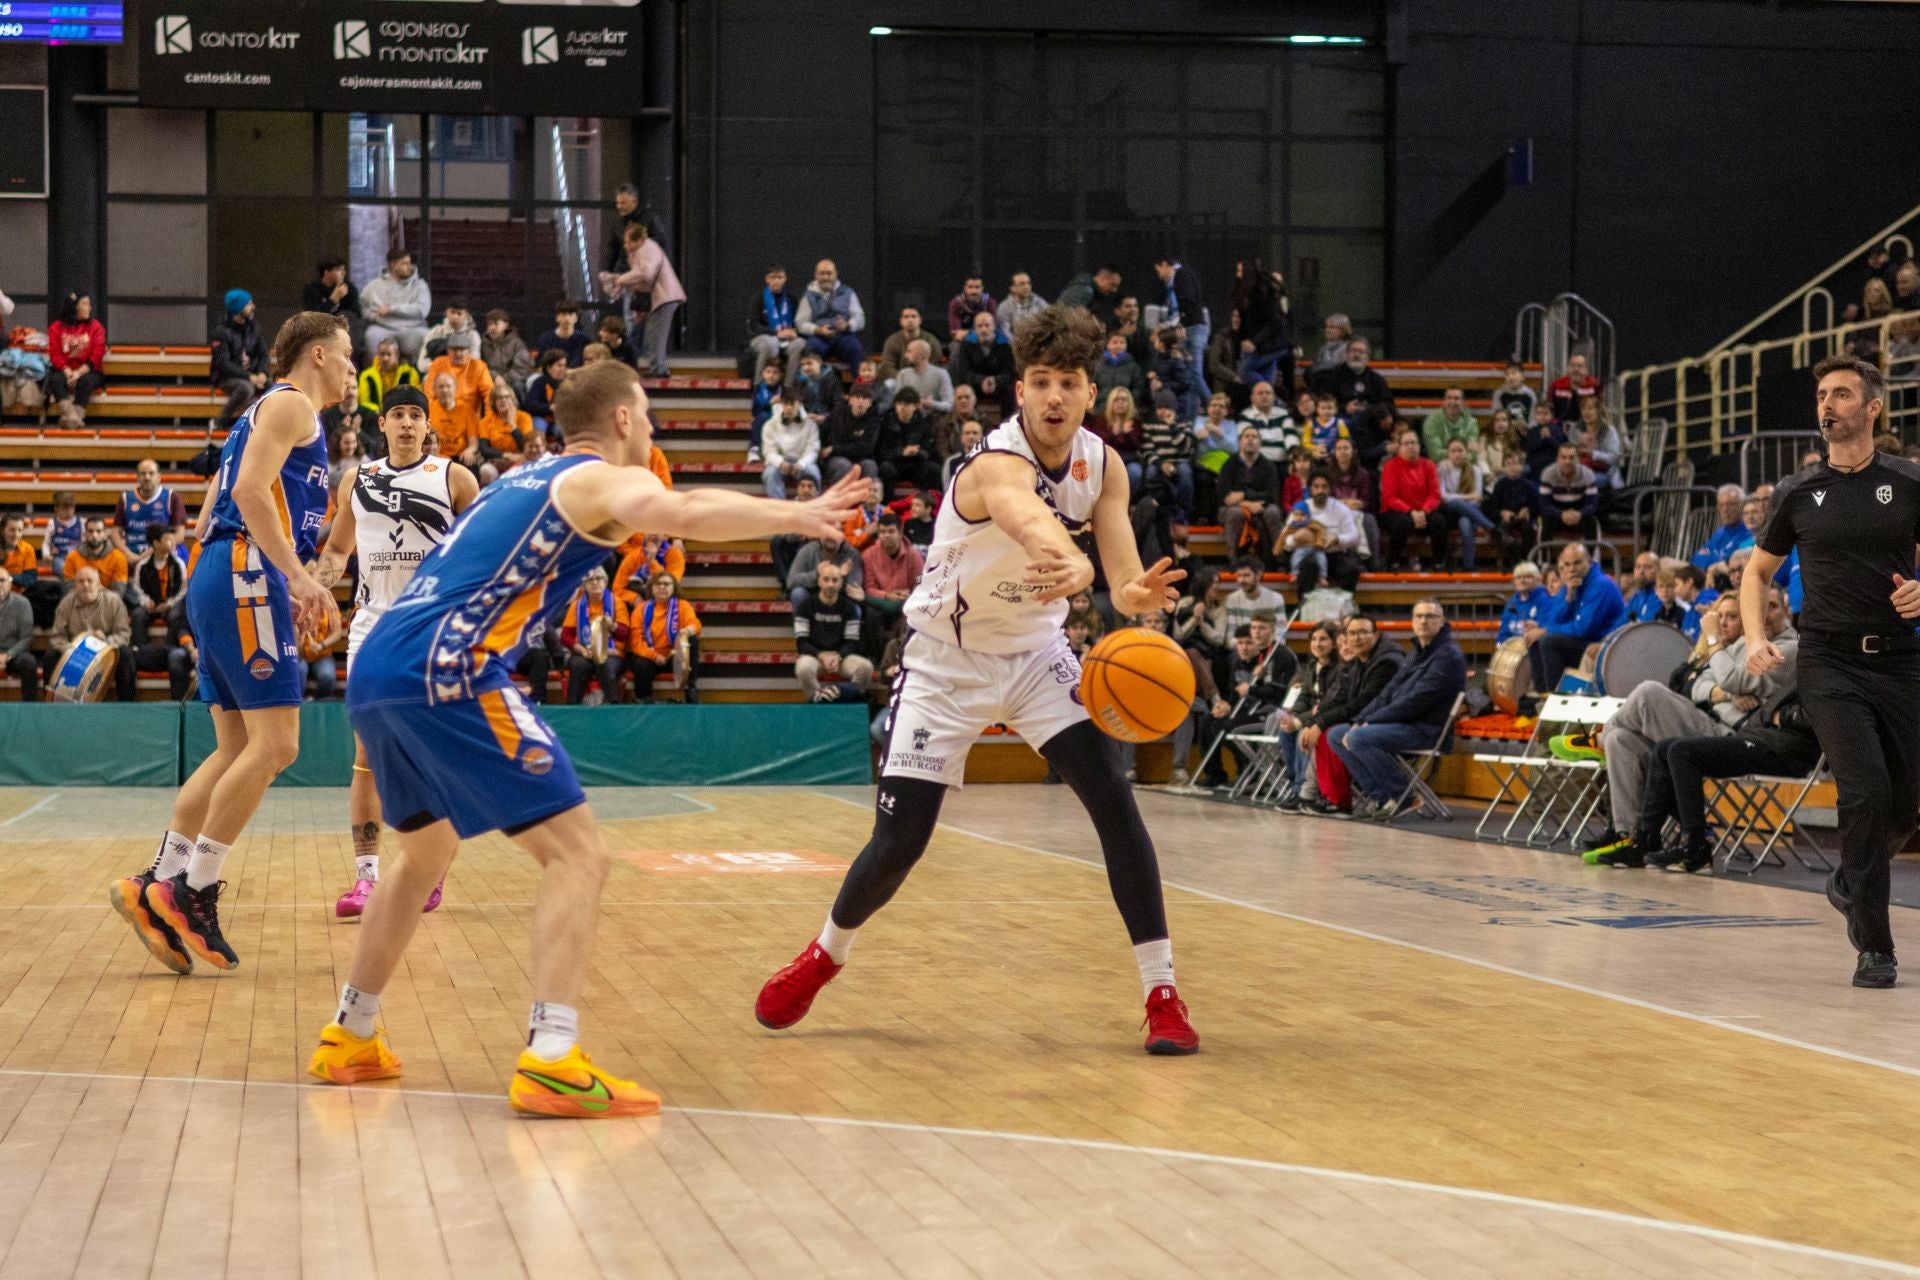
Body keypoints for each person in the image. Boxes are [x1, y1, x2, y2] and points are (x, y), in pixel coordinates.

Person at [304, 358, 861, 1111]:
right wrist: (794, 516)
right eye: (651, 420)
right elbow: (688, 515)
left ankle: (351, 1035)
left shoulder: (518, 480)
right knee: (579, 853)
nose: (654, 434)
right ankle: (552, 1055)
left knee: (424, 854)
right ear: (623, 420)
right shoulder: (598, 480)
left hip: (378, 665)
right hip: (448, 665)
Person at [753, 305, 1200, 1056]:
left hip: (1035, 656)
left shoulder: (1104, 466)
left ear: (1091, 392)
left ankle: (1162, 990)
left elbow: (1121, 581)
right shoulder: (991, 462)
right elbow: (1027, 518)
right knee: (900, 842)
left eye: (1069, 383)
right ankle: (824, 954)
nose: (1055, 397)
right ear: (1019, 391)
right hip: (943, 660)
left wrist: (1131, 597)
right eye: (1041, 382)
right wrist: (1074, 562)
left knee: (1115, 805)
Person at [107, 312, 348, 977]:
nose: (354, 369)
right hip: (246, 570)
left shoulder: (265, 413)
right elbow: (243, 492)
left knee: (238, 747)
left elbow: (220, 495)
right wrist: (292, 579)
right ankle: (195, 891)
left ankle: (156, 880)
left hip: (225, 571)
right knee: (279, 745)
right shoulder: (294, 404)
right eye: (349, 356)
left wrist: (263, 580)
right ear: (320, 354)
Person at [1744, 355, 1920, 989]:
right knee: (1866, 792)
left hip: (1900, 660)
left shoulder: (1907, 481)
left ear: (1872, 408)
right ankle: (1876, 946)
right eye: (1822, 394)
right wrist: (1757, 637)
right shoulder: (1798, 492)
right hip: (1828, 661)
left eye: (1842, 394)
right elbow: (1756, 572)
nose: (1828, 404)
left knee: (1905, 806)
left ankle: (1850, 878)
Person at [312, 385, 478, 919]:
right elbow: (338, 549)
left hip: (433, 630)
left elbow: (480, 551)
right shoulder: (357, 479)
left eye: (416, 416)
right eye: (398, 415)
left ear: (428, 427)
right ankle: (366, 881)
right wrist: (320, 582)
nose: (407, 424)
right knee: (367, 757)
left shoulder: (455, 478)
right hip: (372, 629)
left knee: (434, 757)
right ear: (380, 424)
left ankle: (430, 870)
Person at [1578, 589, 1796, 865]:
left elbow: (1731, 677)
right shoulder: (1747, 643)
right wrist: (1725, 692)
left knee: (1648, 693)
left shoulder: (1789, 648)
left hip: (1737, 736)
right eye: (1759, 605)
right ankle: (1627, 834)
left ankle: (1597, 737)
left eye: (1772, 606)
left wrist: (1716, 648)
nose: (1763, 613)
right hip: (1709, 720)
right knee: (1620, 739)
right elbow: (1696, 683)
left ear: (1787, 611)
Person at [1328, 600, 1466, 820]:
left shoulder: (1448, 656)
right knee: (1337, 734)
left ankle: (1404, 796)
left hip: (1427, 730)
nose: (1423, 621)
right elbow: (1387, 694)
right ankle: (1382, 798)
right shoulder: (1415, 654)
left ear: (1441, 622)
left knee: (1359, 737)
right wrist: (1361, 718)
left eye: (1430, 616)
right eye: (1419, 616)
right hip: (1403, 725)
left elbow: (1416, 701)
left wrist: (1371, 722)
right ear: (1412, 621)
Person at [1524, 541, 1626, 695]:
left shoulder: (1601, 585)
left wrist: (1544, 631)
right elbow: (1554, 620)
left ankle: (1556, 698)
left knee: (1548, 640)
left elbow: (1583, 629)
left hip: (1604, 645)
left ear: (1590, 562)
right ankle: (1542, 696)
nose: (1572, 569)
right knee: (1535, 640)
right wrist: (1569, 596)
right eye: (1567, 564)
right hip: (1585, 641)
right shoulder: (1571, 582)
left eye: (1577, 563)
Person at [598, 222, 686, 378]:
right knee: (651, 335)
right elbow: (641, 277)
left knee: (655, 335)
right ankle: (658, 369)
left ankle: (658, 371)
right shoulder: (642, 250)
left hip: (663, 297)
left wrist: (620, 280)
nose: (626, 246)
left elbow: (645, 273)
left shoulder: (647, 249)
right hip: (658, 297)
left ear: (639, 240)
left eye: (629, 241)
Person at [43, 566, 137, 701]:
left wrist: (106, 641)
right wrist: (70, 650)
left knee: (126, 655)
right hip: (74, 653)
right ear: (75, 585)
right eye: (81, 582)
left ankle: (126, 705)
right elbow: (57, 636)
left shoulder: (114, 601)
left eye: (90, 581)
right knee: (50, 657)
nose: (85, 585)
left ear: (99, 584)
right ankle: (50, 706)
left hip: (106, 651)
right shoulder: (66, 603)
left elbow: (123, 634)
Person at [793, 562, 871, 701]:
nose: (830, 584)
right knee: (802, 668)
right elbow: (801, 642)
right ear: (819, 581)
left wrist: (838, 656)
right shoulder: (805, 606)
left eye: (835, 580)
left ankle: (849, 703)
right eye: (826, 579)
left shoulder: (849, 608)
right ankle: (818, 702)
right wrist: (821, 655)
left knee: (865, 667)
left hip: (842, 658)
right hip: (815, 656)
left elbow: (852, 642)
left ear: (841, 583)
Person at [1280, 470, 1363, 593]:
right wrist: (1296, 538)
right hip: (1307, 554)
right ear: (1310, 489)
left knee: (1351, 569)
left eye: (1324, 487)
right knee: (1309, 565)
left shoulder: (1341, 509)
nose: (1320, 491)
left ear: (1330, 489)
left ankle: (1344, 607)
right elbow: (1284, 542)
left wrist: (1337, 539)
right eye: (1316, 487)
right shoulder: (1300, 508)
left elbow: (1354, 536)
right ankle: (1305, 608)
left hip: (1333, 554)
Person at [627, 571, 699, 703]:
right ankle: (643, 699)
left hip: (675, 657)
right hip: (650, 657)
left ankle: (691, 688)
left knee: (692, 640)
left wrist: (686, 631)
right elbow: (636, 642)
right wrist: (654, 656)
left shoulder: (682, 605)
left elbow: (695, 624)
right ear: (651, 588)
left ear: (673, 587)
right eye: (658, 584)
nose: (662, 587)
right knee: (640, 662)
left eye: (666, 584)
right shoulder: (640, 609)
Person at [1218, 425, 1284, 563]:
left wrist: (1243, 495)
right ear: (1239, 442)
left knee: (1273, 512)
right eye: (1247, 436)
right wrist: (1247, 503)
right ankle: (1234, 560)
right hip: (1234, 508)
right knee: (1235, 513)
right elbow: (1225, 496)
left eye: (1254, 437)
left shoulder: (1268, 466)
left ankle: (1280, 559)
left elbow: (1271, 495)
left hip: (1263, 506)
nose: (1250, 440)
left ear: (1260, 443)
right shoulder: (1229, 464)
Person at [1378, 429, 1444, 569]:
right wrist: (1411, 512)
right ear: (1399, 447)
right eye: (1406, 443)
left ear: (1419, 446)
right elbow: (1389, 497)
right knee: (1402, 522)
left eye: (1413, 442)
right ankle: (1392, 562)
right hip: (1395, 510)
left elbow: (1435, 495)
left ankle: (1439, 563)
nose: (1410, 446)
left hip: (1422, 510)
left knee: (1439, 521)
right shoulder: (1391, 466)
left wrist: (1424, 511)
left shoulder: (1429, 465)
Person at [46, 292, 106, 430]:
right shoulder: (56, 327)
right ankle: (71, 416)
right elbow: (55, 354)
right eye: (85, 304)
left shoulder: (95, 326)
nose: (90, 308)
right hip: (64, 370)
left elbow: (97, 354)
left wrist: (78, 373)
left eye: (89, 304)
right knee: (55, 379)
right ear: (74, 307)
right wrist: (68, 372)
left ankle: (75, 416)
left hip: (87, 370)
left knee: (87, 380)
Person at [360, 249, 432, 364]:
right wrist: (375, 317)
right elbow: (363, 307)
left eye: (409, 262)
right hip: (383, 327)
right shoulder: (374, 286)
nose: (409, 266)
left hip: (412, 328)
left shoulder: (420, 285)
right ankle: (375, 375)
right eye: (404, 263)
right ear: (393, 265)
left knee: (427, 336)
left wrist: (392, 309)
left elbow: (422, 310)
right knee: (371, 335)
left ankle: (417, 377)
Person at [1436, 437, 1498, 570]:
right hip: (1450, 513)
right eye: (1453, 451)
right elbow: (1443, 496)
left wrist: (1461, 498)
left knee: (1465, 522)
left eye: (1460, 450)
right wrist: (1465, 496)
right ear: (1448, 453)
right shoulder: (1443, 468)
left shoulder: (1475, 469)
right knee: (1457, 502)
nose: (1457, 454)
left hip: (1471, 511)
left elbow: (1477, 498)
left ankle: (1468, 566)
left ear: (1466, 452)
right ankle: (1491, 527)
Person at [1152, 256, 1210, 397]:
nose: (1159, 276)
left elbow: (1187, 303)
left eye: (1159, 271)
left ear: (1164, 264)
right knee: (1191, 377)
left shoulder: (1181, 275)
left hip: (1193, 327)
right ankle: (1192, 416)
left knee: (1195, 374)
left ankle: (1214, 406)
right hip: (1191, 326)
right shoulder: (1182, 276)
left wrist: (1181, 324)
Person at [210, 289, 269, 426]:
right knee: (246, 388)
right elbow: (223, 364)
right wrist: (249, 376)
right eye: (249, 304)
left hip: (252, 375)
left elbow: (263, 354)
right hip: (227, 377)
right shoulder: (221, 332)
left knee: (273, 388)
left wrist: (262, 373)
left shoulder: (254, 327)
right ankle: (221, 422)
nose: (253, 306)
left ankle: (262, 424)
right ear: (238, 308)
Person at [797, 259, 866, 369]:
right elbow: (800, 323)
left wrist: (848, 325)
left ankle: (860, 384)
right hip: (819, 338)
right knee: (809, 349)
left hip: (843, 336)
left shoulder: (848, 292)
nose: (825, 277)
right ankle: (815, 383)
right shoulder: (808, 296)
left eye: (829, 273)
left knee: (855, 348)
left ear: (835, 274)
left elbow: (860, 318)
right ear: (816, 275)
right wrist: (817, 329)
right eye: (822, 273)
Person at [114, 459, 187, 559]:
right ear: (138, 478)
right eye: (143, 474)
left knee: (180, 553)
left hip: (160, 551)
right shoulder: (126, 498)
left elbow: (180, 534)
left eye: (151, 473)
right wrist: (129, 554)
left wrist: (149, 553)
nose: (147, 477)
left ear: (159, 477)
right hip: (131, 553)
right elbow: (115, 533)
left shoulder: (172, 497)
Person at [1310, 336, 1393, 424]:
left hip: (1370, 422)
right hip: (1340, 421)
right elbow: (1324, 401)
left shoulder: (1376, 379)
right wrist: (1345, 408)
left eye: (1361, 352)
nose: (1357, 355)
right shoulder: (1333, 376)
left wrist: (1371, 410)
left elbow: (1388, 403)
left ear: (1368, 357)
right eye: (1353, 351)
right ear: (1346, 354)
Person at [746, 265, 807, 379]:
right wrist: (775, 333)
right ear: (767, 279)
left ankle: (789, 384)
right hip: (763, 337)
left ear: (785, 279)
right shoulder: (759, 298)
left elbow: (799, 323)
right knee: (770, 343)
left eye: (780, 277)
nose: (776, 280)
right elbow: (754, 325)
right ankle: (759, 384)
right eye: (773, 277)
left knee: (799, 343)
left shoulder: (792, 299)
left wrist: (794, 332)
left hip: (786, 339)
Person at [951, 309, 1015, 415]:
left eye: (987, 325)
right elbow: (964, 372)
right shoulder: (966, 344)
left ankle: (1006, 425)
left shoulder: (1006, 345)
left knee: (1011, 392)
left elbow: (1009, 373)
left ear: (994, 327)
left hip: (998, 385)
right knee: (964, 390)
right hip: (975, 384)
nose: (983, 329)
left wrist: (996, 381)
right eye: (980, 326)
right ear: (975, 329)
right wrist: (981, 381)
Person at [761, 389, 821, 499]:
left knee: (813, 471)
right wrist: (780, 463)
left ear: (799, 404)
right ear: (781, 404)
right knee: (770, 473)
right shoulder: (770, 424)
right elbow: (769, 451)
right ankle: (779, 509)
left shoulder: (810, 424)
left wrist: (801, 464)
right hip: (780, 462)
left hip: (802, 461)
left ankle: (812, 506)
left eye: (792, 404)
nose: (789, 408)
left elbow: (813, 450)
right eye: (785, 404)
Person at [1537, 442, 1600, 545]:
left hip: (1579, 513)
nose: (1567, 461)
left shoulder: (1588, 475)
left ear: (1578, 459)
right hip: (1556, 514)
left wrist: (1579, 514)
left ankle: (1590, 559)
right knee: (1546, 521)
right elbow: (1544, 505)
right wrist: (1560, 514)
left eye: (1571, 458)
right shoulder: (1547, 474)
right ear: (1557, 459)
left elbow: (1592, 505)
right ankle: (1543, 559)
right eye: (1563, 457)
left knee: (1592, 521)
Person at [424, 329, 494, 420]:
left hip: (468, 419)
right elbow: (429, 392)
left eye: (462, 349)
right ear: (448, 351)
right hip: (440, 417)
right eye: (454, 350)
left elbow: (489, 393)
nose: (458, 354)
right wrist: (429, 416)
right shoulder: (438, 363)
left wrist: (489, 419)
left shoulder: (479, 366)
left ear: (469, 351)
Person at [1691, 484, 1754, 571]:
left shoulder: (1750, 533)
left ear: (1743, 506)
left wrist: (1712, 558)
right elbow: (1696, 559)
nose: (1725, 510)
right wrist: (1717, 562)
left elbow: (1733, 562)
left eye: (1730, 504)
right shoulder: (1719, 533)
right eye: (1721, 505)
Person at [357, 338, 421, 415]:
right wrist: (377, 410)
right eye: (382, 354)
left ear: (397, 355)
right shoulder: (367, 375)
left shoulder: (409, 373)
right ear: (377, 355)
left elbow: (416, 399)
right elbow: (363, 402)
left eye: (389, 354)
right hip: (376, 417)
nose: (385, 358)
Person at [0, 568, 35, 700]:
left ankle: (29, 713)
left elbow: (26, 638)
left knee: (29, 663)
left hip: (13, 654)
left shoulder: (22, 603)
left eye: (2, 580)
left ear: (9, 583)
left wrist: (7, 656)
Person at [1420, 388, 1481, 462]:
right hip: (1440, 465)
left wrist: (1459, 455)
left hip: (1465, 464)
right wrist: (1461, 453)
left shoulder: (1472, 422)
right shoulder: (1432, 421)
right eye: (1449, 398)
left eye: (1456, 398)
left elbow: (1473, 452)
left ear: (1463, 403)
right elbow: (1435, 454)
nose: (1452, 401)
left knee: (1477, 469)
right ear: (1444, 402)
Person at [481, 310, 533, 395]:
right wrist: (495, 376)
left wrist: (504, 379)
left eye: (496, 324)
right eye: (490, 324)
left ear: (505, 325)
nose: (492, 327)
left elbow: (521, 369)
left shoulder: (517, 343)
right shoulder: (483, 343)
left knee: (518, 386)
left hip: (511, 380)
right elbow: (481, 365)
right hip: (490, 378)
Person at [1497, 561, 1551, 642]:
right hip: (1512, 650)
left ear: (1538, 579)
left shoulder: (1544, 601)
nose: (1522, 581)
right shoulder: (1511, 604)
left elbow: (1547, 629)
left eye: (1528, 577)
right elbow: (1502, 634)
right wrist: (1500, 648)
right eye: (1518, 577)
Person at [946, 275, 998, 348]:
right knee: (954, 347)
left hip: (986, 340)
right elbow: (956, 335)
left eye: (977, 287)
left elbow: (993, 331)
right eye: (970, 287)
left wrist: (968, 333)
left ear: (982, 288)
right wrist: (979, 333)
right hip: (963, 341)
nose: (974, 291)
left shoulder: (990, 303)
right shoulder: (956, 303)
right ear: (965, 288)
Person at [1548, 352, 1599, 422]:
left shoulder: (1594, 386)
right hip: (1560, 428)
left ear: (1586, 370)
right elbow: (1550, 410)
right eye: (1572, 365)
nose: (1576, 369)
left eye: (1580, 366)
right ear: (1567, 368)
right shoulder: (1556, 386)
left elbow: (1599, 410)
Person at [536, 302, 589, 369]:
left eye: (571, 314)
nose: (567, 318)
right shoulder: (546, 339)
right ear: (557, 318)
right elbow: (540, 365)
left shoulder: (584, 341)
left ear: (576, 318)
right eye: (563, 314)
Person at [998, 271, 1048, 337]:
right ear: (1013, 289)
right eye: (1022, 284)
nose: (1026, 287)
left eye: (1028, 283)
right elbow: (1005, 333)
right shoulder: (1004, 308)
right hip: (1015, 345)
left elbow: (1050, 324)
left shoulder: (1040, 303)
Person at [1493, 358, 1538, 428]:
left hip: (1526, 431)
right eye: (1507, 374)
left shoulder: (1530, 394)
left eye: (1514, 373)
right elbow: (1497, 416)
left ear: (1522, 376)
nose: (1510, 377)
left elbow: (1533, 420)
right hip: (1506, 432)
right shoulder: (1499, 394)